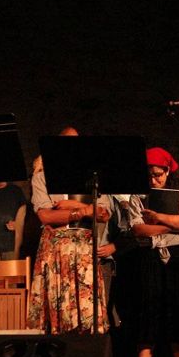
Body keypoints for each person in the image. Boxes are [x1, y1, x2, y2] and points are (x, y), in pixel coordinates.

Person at [129, 147, 179, 357]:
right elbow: (139, 229)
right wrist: (172, 224)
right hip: (150, 255)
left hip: (178, 257)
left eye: (158, 175)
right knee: (149, 311)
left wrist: (159, 218)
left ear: (168, 171)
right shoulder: (138, 195)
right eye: (149, 175)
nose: (153, 180)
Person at [27, 129, 110, 335]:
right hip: (56, 250)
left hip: (84, 251)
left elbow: (103, 213)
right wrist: (84, 211)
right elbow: (45, 216)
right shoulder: (42, 177)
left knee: (87, 313)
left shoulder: (92, 178)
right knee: (57, 312)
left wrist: (75, 207)